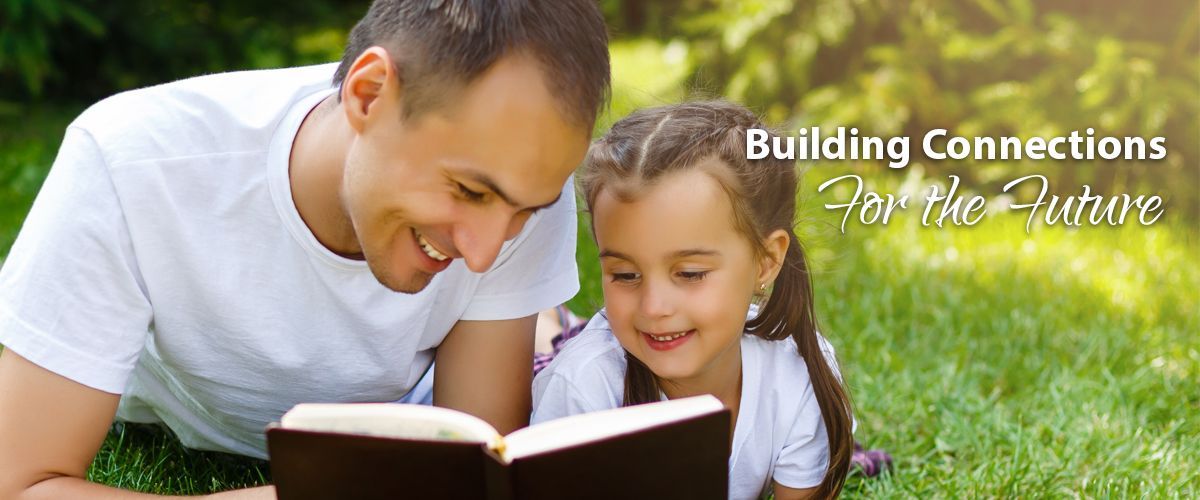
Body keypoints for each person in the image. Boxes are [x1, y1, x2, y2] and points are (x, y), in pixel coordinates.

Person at [0, 0, 609, 497]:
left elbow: (474, 465)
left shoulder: (521, 191)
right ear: (369, 95)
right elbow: (22, 482)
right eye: (468, 191)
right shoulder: (132, 163)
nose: (484, 254)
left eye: (524, 211)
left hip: (406, 399)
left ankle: (546, 326)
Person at [531, 101, 856, 500]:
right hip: (581, 356)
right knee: (555, 345)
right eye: (626, 275)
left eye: (689, 274)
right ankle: (549, 322)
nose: (654, 307)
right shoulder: (583, 389)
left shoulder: (800, 377)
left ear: (766, 261)